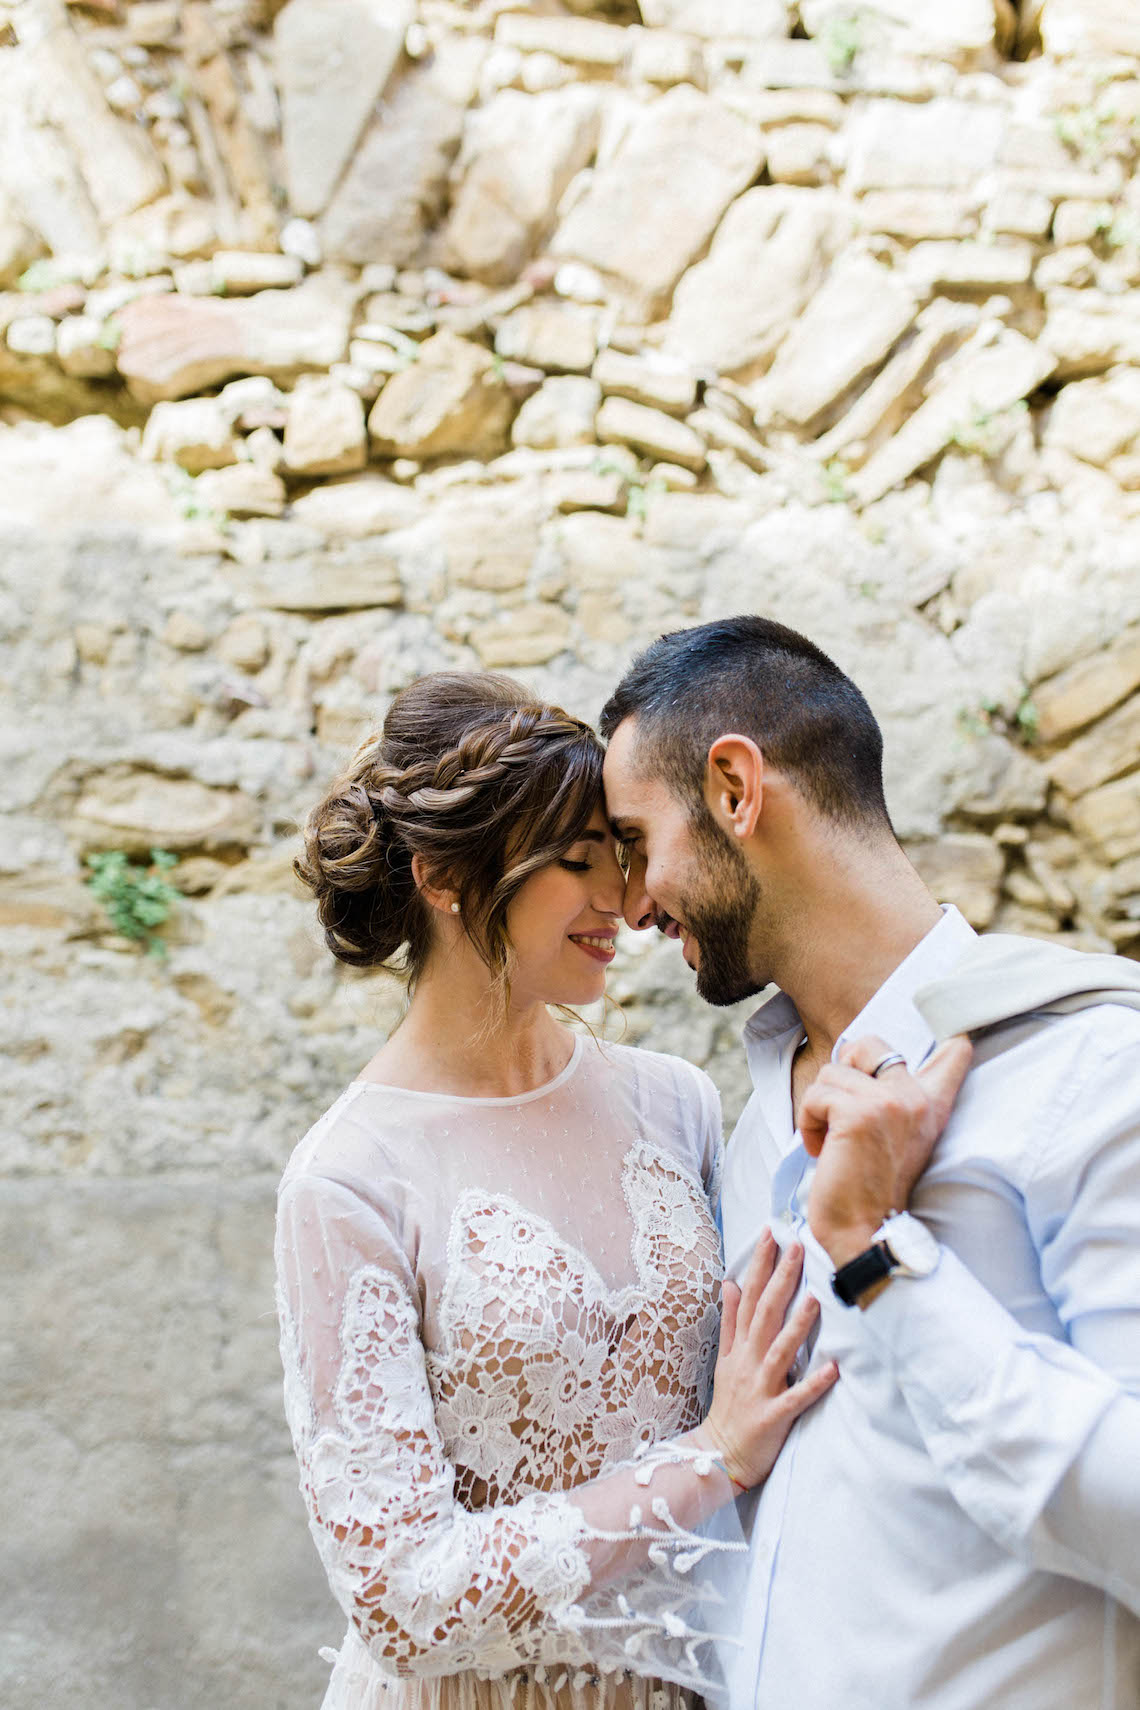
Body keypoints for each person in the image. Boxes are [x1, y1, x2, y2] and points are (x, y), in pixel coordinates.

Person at [599, 614, 1140, 1710]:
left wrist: (877, 1258)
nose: (630, 901)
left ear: (736, 790)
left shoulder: (1092, 1067)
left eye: (633, 839)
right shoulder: (747, 1128)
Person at [274, 670, 838, 1710]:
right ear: (445, 875)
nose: (624, 904)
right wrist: (710, 1460)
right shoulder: (350, 1179)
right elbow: (399, 1597)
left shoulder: (674, 1103)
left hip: (691, 1684)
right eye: (577, 864)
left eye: (621, 859)